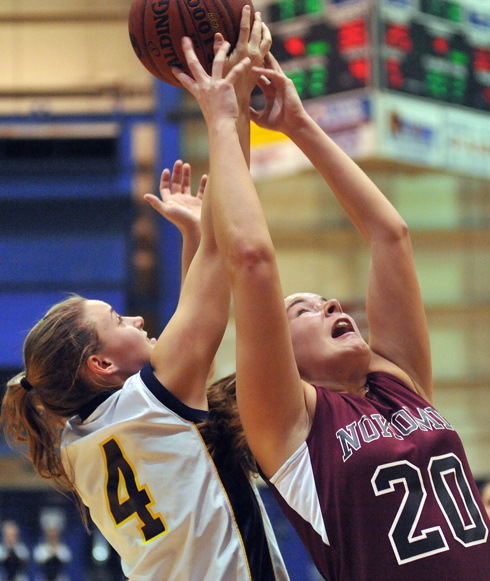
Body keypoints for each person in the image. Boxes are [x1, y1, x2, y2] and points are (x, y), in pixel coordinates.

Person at [173, 38, 490, 580]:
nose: (327, 303)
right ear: (282, 357)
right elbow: (250, 259)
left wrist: (298, 123)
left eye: (322, 301)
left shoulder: (396, 380)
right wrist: (224, 123)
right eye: (302, 310)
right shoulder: (291, 430)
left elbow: (389, 235)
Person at [0, 13, 290, 580]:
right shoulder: (147, 404)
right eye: (116, 318)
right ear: (101, 363)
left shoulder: (81, 443)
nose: (134, 316)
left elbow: (203, 297)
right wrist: (226, 108)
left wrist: (199, 237)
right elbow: (232, 253)